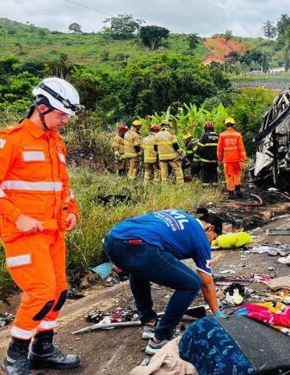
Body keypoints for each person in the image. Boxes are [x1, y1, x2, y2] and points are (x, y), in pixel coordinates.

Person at [0, 77, 82, 374]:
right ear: (42, 108)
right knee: (41, 292)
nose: (65, 121)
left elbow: (62, 185)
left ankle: (43, 349)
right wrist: (17, 215)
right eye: (61, 115)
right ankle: (15, 354)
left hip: (53, 232)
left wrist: (72, 209)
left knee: (59, 291)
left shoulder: (56, 143)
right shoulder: (10, 139)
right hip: (23, 234)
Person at [102, 208, 224, 355]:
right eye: (214, 238)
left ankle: (149, 322)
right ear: (210, 228)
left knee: (139, 268)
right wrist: (217, 313)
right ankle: (160, 339)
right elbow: (206, 282)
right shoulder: (201, 237)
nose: (211, 242)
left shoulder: (179, 214)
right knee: (192, 284)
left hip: (112, 239)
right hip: (140, 246)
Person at [217, 117, 247, 197]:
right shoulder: (238, 134)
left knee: (229, 175)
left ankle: (231, 193)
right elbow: (241, 148)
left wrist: (219, 159)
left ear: (226, 125)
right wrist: (244, 159)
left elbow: (219, 149)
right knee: (237, 174)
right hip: (237, 159)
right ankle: (238, 191)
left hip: (227, 160)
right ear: (233, 125)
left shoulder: (222, 135)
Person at [195, 121, 219, 187]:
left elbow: (200, 148)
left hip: (205, 160)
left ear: (205, 127)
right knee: (214, 172)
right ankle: (215, 185)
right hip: (215, 159)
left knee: (205, 173)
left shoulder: (204, 136)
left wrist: (196, 157)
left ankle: (206, 186)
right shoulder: (217, 135)